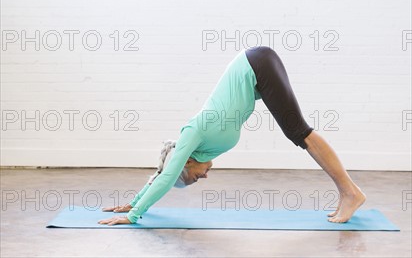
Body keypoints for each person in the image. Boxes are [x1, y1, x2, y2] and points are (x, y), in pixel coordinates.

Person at [99, 46, 365, 226]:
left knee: (299, 132)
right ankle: (347, 193)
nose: (203, 177)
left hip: (255, 64)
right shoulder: (203, 150)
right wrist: (131, 202)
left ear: (187, 162)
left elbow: (167, 177)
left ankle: (350, 192)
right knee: (296, 131)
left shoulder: (192, 132)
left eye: (194, 177)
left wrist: (134, 215)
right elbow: (161, 173)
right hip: (256, 75)